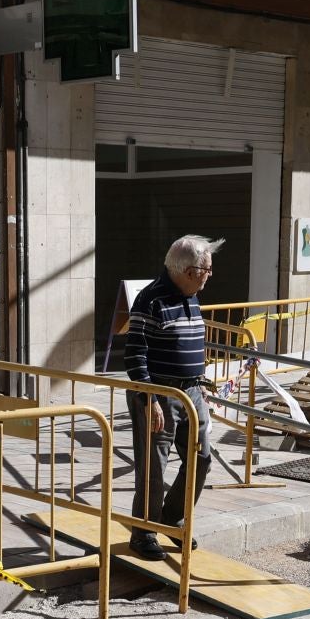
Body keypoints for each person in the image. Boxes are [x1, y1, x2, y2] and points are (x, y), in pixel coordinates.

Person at [125, 235, 220, 561]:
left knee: (202, 458)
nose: (210, 275)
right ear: (189, 270)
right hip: (160, 392)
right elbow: (135, 354)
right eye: (207, 269)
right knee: (154, 467)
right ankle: (143, 533)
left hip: (191, 390)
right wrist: (150, 399)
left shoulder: (190, 294)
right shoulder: (150, 299)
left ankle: (172, 518)